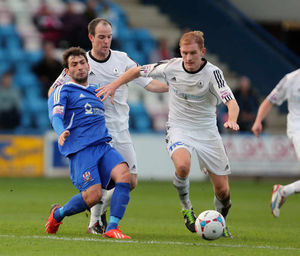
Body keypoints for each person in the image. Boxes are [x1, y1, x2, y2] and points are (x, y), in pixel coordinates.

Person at [96, 31, 240, 237]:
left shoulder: (213, 73)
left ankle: (220, 222)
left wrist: (232, 119)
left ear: (203, 52)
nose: (188, 58)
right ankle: (186, 208)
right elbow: (136, 71)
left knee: (223, 192)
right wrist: (113, 85)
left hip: (207, 132)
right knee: (182, 166)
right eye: (184, 53)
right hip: (179, 127)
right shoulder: (170, 66)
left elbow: (231, 102)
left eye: (193, 53)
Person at [49, 18, 168, 234]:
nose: (106, 41)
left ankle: (98, 212)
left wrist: (173, 88)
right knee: (104, 183)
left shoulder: (122, 60)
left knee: (130, 181)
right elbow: (53, 93)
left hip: (120, 129)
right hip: (94, 133)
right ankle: (96, 221)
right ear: (91, 38)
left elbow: (149, 83)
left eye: (109, 37)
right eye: (101, 37)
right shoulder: (81, 63)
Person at [46, 46, 131, 239]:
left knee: (125, 176)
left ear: (88, 65)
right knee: (93, 197)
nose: (79, 67)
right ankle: (58, 214)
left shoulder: (97, 90)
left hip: (103, 145)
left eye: (82, 62)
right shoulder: (63, 90)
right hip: (82, 150)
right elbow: (56, 115)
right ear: (67, 72)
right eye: (74, 65)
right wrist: (61, 132)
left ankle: (112, 227)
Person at [251, 69, 300, 218]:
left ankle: (284, 191)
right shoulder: (291, 79)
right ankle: (285, 191)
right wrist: (258, 121)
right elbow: (269, 100)